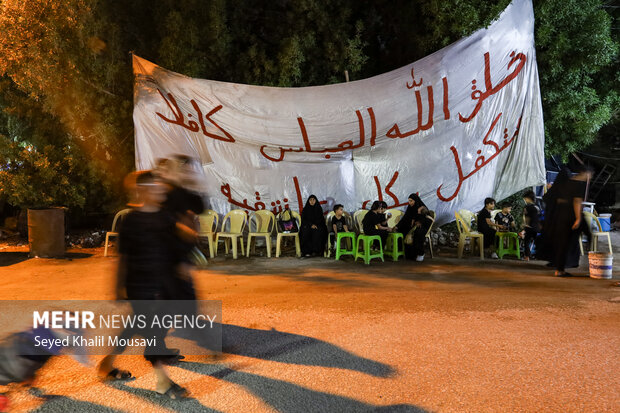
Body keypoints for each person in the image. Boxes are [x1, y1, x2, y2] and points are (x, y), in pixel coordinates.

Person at [97, 171, 190, 399]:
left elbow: (176, 248)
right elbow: (123, 257)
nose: (161, 187)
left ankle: (106, 365)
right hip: (140, 287)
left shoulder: (165, 216)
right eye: (155, 184)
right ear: (145, 190)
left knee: (132, 327)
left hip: (162, 286)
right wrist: (118, 287)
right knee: (153, 333)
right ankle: (163, 382)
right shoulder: (131, 221)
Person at [540, 165, 592, 276]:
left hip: (560, 217)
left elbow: (557, 199)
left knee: (562, 243)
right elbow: (577, 202)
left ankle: (559, 269)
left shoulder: (563, 184)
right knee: (587, 235)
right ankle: (593, 261)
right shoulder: (578, 185)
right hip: (571, 216)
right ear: (585, 173)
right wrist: (578, 218)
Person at [396, 193, 428, 260]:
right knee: (400, 230)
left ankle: (420, 253)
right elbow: (405, 218)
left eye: (411, 201)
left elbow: (425, 218)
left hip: (421, 226)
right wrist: (397, 226)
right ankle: (400, 252)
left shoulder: (422, 207)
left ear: (415, 200)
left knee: (418, 233)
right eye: (409, 201)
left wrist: (419, 214)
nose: (410, 202)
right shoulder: (410, 207)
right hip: (411, 226)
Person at [520, 190, 541, 261]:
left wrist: (524, 224)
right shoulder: (537, 206)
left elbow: (527, 217)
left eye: (525, 199)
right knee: (537, 241)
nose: (525, 200)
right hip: (537, 227)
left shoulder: (527, 207)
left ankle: (527, 257)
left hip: (530, 227)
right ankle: (540, 255)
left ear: (529, 198)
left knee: (526, 241)